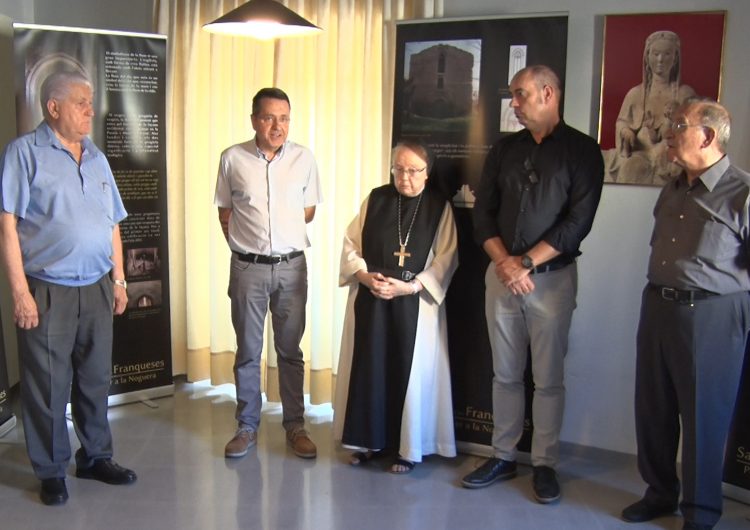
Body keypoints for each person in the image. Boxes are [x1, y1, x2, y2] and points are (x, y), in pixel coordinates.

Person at [463, 65, 604, 502]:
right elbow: (482, 212)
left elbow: (577, 224)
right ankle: (503, 456)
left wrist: (523, 262)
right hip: (501, 276)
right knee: (504, 374)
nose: (515, 104)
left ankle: (544, 464)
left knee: (548, 379)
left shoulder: (583, 151)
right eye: (513, 96)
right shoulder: (505, 149)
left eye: (521, 95)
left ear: (547, 93)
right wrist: (505, 263)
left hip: (551, 281)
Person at [0, 71, 136, 506]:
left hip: (96, 285)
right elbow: (8, 226)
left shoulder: (96, 156)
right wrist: (20, 293)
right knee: (47, 387)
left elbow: (112, 221)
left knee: (95, 380)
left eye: (90, 101)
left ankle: (95, 456)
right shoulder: (24, 153)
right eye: (81, 102)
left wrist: (118, 278)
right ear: (53, 107)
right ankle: (52, 469)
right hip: (48, 288)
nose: (90, 110)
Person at [621, 98, 750, 530]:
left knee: (703, 417)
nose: (669, 133)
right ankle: (659, 494)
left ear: (708, 136)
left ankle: (701, 512)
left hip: (712, 316)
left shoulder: (743, 192)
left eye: (679, 125)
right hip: (657, 306)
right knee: (652, 408)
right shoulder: (673, 186)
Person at [333, 141, 458, 474]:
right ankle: (366, 443)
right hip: (371, 301)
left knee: (409, 373)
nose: (404, 178)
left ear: (427, 174)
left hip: (414, 303)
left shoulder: (438, 207)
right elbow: (350, 245)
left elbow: (447, 258)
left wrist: (411, 286)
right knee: (369, 368)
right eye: (398, 169)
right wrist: (363, 275)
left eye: (413, 171)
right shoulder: (376, 199)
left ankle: (407, 448)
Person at [214, 87, 323, 460]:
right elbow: (224, 212)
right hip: (248, 268)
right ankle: (246, 426)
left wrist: (281, 228)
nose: (278, 126)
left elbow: (308, 210)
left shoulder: (304, 159)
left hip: (292, 269)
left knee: (290, 351)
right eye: (269, 117)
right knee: (248, 350)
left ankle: (295, 427)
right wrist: (247, 246)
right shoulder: (232, 158)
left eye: (285, 118)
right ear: (254, 120)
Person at [605, 31, 695, 185]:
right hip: (640, 152)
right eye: (656, 54)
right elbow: (622, 122)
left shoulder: (684, 94)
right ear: (647, 57)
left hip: (668, 154)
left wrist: (675, 119)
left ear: (675, 58)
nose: (660, 59)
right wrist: (625, 131)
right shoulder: (635, 94)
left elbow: (692, 129)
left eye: (667, 54)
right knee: (630, 168)